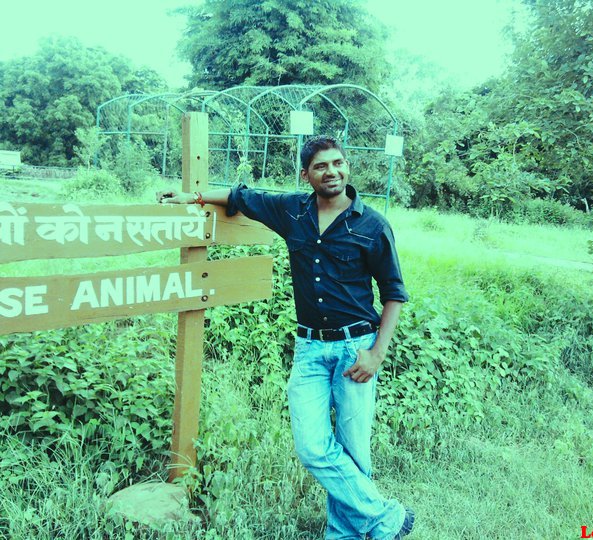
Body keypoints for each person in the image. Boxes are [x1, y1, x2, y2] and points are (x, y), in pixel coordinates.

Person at [158, 136, 414, 540]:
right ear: (306, 175)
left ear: (347, 166)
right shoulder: (292, 210)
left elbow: (394, 293)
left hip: (355, 348)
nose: (332, 171)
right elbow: (242, 197)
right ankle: (386, 518)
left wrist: (376, 354)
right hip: (310, 348)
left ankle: (343, 533)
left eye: (338, 163)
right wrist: (193, 196)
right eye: (321, 166)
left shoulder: (373, 224)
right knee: (313, 447)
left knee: (353, 448)